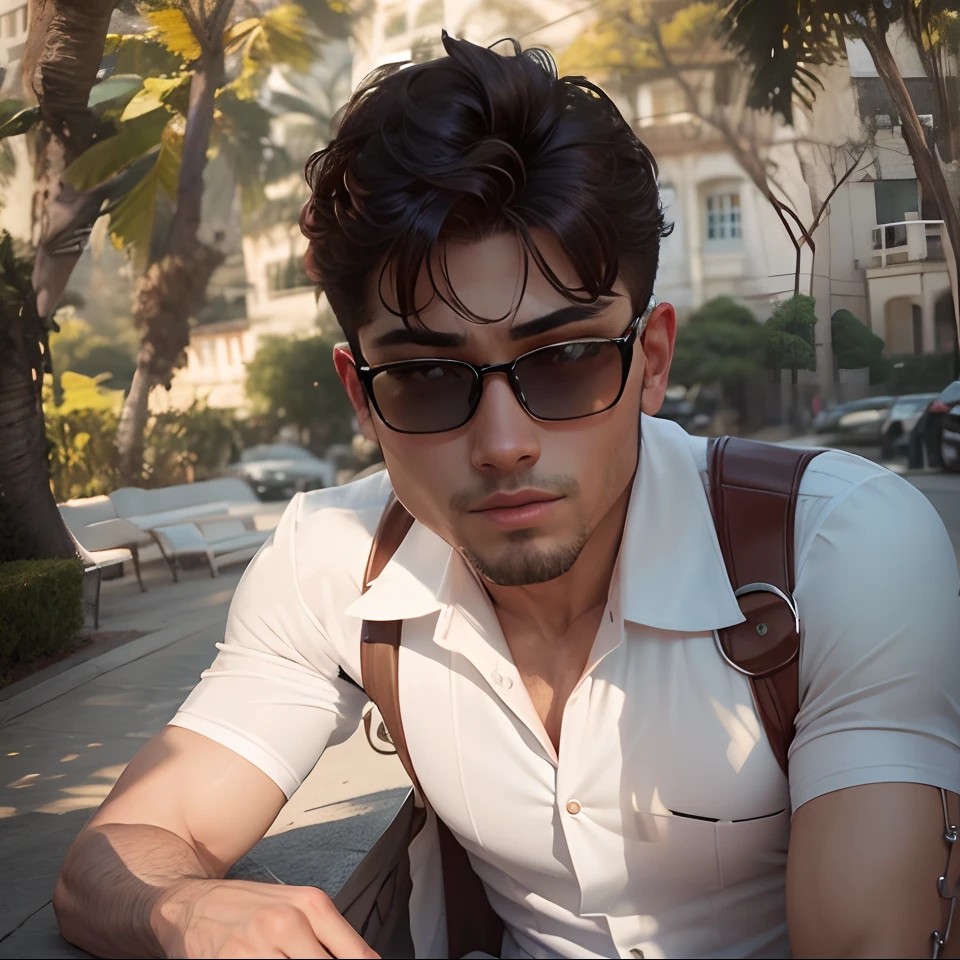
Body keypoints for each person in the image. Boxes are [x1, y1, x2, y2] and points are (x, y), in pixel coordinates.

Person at [55, 35, 959, 960]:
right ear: (362, 395)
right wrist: (184, 911)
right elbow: (117, 855)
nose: (502, 445)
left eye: (563, 361)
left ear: (650, 362)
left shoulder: (835, 551)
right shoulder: (334, 561)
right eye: (426, 378)